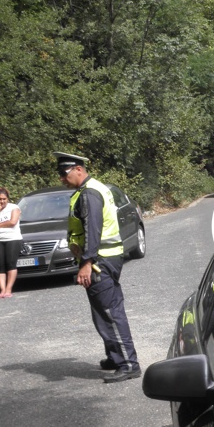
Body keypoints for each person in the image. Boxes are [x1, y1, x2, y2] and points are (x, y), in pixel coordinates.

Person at [53, 151, 141, 383]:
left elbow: (94, 229)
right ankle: (115, 356)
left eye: (65, 173)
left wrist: (87, 262)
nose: (62, 178)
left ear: (78, 169)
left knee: (110, 313)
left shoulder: (90, 193)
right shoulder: (91, 189)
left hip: (100, 261)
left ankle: (129, 363)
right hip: (104, 258)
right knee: (104, 312)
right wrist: (76, 245)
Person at [0, 187, 22, 298]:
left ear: (8, 198)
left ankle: (8, 289)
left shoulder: (14, 207)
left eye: (4, 199)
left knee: (11, 263)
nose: (2, 201)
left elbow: (13, 222)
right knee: (0, 265)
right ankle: (2, 290)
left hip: (13, 238)